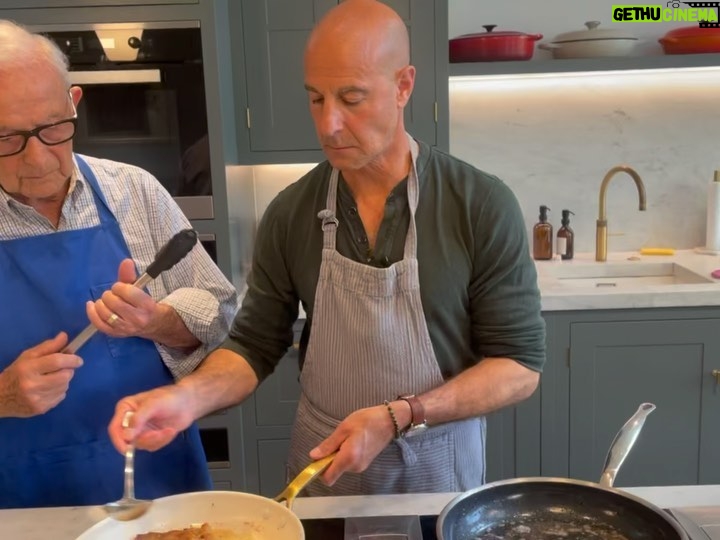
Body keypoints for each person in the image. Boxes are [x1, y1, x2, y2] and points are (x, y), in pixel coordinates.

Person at [109, 0, 545, 496]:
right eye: (316, 99)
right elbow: (252, 346)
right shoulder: (292, 212)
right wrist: (186, 399)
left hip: (437, 472)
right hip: (324, 475)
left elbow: (518, 367)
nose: (329, 124)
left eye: (352, 98)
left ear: (403, 86)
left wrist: (402, 414)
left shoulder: (478, 204)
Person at [0, 20, 238, 509]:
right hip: (21, 496)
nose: (40, 159)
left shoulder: (135, 191)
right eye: (6, 137)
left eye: (53, 128)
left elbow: (220, 317)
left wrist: (161, 322)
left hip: (157, 480)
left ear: (74, 104)